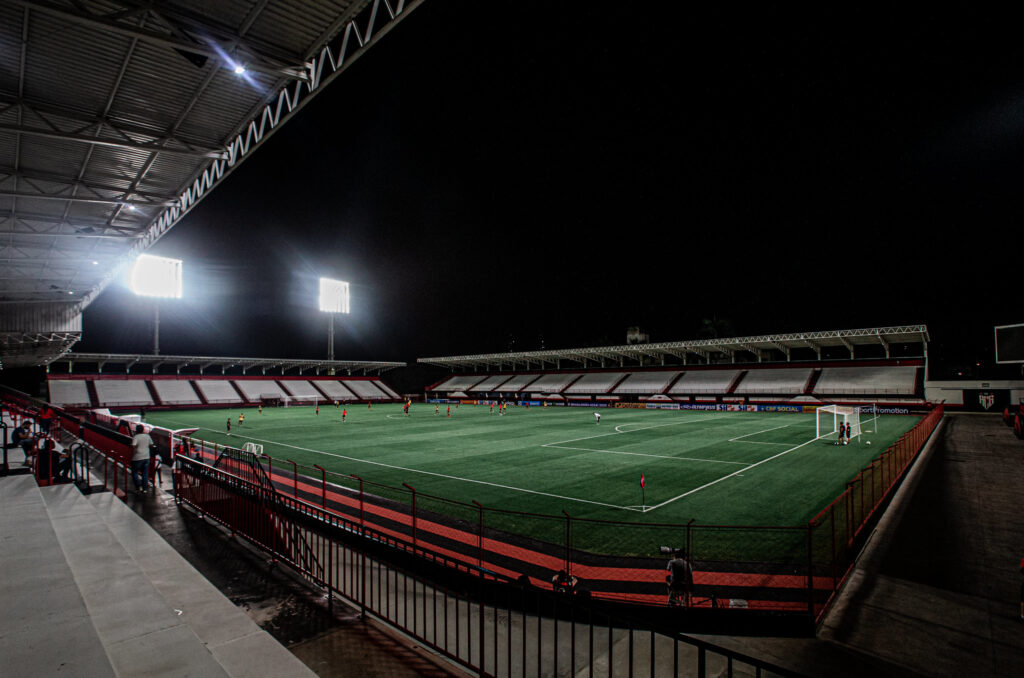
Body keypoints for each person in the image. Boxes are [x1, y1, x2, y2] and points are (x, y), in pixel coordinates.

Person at [130, 424, 154, 494]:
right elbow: (151, 445)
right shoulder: (147, 436)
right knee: (145, 473)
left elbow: (133, 445)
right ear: (143, 429)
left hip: (137, 458)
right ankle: (145, 489)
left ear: (136, 430)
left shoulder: (136, 437)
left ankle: (138, 486)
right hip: (146, 457)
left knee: (134, 472)